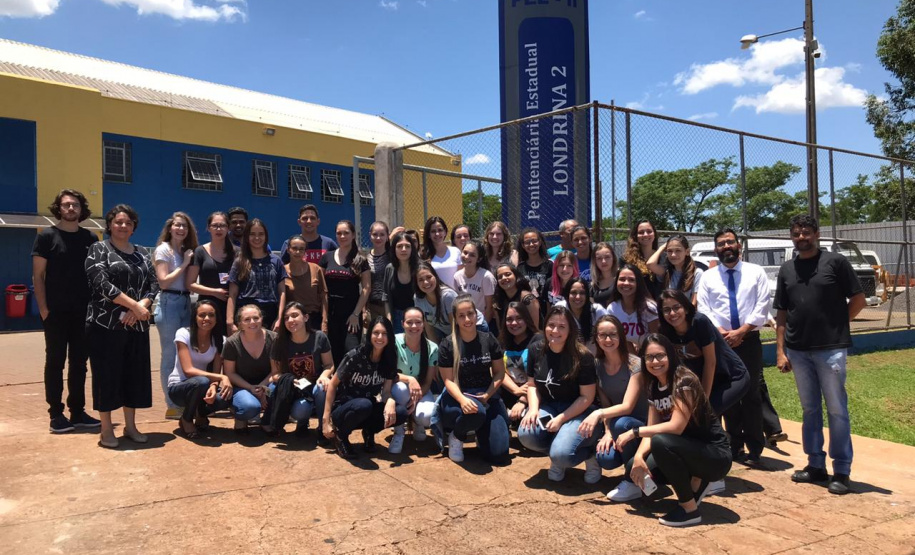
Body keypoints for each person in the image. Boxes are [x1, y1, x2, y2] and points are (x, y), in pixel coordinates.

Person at [775, 214, 865, 495]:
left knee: (837, 410)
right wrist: (780, 351)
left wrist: (837, 326)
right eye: (796, 234)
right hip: (797, 351)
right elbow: (781, 314)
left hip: (830, 351)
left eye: (806, 233)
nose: (801, 238)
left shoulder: (835, 262)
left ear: (817, 234)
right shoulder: (787, 269)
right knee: (810, 409)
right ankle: (815, 465)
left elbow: (859, 300)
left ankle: (841, 470)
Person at [613, 334, 732, 528]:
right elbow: (652, 428)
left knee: (661, 442)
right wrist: (638, 457)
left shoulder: (684, 380)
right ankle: (696, 481)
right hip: (689, 450)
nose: (655, 361)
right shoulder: (654, 386)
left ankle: (689, 509)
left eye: (660, 355)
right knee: (634, 470)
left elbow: (676, 427)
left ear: (670, 355)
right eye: (649, 357)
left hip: (715, 455)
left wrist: (634, 432)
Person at [696, 228, 773, 464]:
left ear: (738, 245)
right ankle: (734, 446)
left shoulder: (755, 272)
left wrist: (742, 331)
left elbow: (762, 303)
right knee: (728, 395)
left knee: (750, 395)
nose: (726, 246)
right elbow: (704, 308)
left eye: (730, 242)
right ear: (716, 249)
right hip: (720, 343)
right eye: (721, 244)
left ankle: (755, 448)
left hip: (748, 340)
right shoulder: (709, 277)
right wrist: (722, 333)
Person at [85, 204, 159, 449]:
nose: (123, 226)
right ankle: (106, 429)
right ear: (109, 225)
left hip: (136, 326)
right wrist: (134, 307)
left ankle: (131, 426)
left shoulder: (142, 253)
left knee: (134, 377)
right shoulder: (99, 249)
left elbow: (153, 283)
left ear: (134, 227)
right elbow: (100, 283)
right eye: (118, 222)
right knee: (106, 376)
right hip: (105, 326)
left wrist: (141, 306)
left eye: (128, 222)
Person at [32, 189, 101, 433]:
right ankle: (55, 414)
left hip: (83, 312)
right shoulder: (47, 237)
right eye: (66, 205)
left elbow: (96, 276)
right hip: (55, 313)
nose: (71, 209)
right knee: (55, 362)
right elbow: (38, 276)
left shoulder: (91, 239)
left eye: (75, 205)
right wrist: (43, 309)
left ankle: (78, 411)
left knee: (80, 364)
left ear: (82, 210)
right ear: (58, 208)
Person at [518, 306, 602, 483]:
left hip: (577, 410)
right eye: (551, 325)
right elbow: (532, 385)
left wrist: (562, 419)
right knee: (526, 434)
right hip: (549, 406)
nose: (555, 331)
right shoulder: (535, 349)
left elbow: (587, 397)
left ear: (570, 329)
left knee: (563, 454)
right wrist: (533, 409)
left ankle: (588, 454)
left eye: (562, 326)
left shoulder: (582, 357)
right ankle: (557, 452)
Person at [578, 315, 650, 501]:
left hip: (642, 426)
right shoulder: (598, 365)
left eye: (613, 334)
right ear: (596, 338)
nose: (608, 340)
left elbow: (627, 407)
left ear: (621, 336)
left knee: (622, 423)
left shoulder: (635, 365)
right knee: (605, 458)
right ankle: (643, 478)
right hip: (618, 426)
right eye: (603, 335)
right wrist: (608, 432)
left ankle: (632, 482)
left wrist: (599, 413)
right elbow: (607, 403)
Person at [437, 294, 510, 463]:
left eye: (470, 313)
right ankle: (457, 436)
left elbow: (499, 372)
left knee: (499, 455)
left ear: (477, 314)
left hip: (486, 396)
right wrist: (462, 400)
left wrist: (488, 395)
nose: (467, 319)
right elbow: (448, 380)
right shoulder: (448, 344)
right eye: (461, 316)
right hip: (458, 398)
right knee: (477, 412)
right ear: (455, 318)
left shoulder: (488, 339)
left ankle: (481, 433)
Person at [321, 317, 407, 459]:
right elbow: (333, 384)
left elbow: (385, 392)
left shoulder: (389, 357)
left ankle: (369, 431)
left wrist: (390, 400)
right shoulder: (355, 356)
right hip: (344, 408)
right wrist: (326, 420)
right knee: (364, 404)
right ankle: (340, 436)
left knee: (401, 412)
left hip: (366, 407)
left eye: (384, 333)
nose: (380, 337)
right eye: (376, 333)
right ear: (369, 335)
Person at [263, 302, 334, 437]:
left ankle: (322, 426)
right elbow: (275, 373)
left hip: (313, 384)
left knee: (322, 387)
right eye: (286, 318)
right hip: (292, 388)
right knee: (300, 410)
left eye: (295, 316)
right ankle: (300, 423)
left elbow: (329, 365)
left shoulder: (319, 337)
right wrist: (290, 381)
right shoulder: (279, 342)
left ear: (306, 318)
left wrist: (324, 376)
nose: (290, 320)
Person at [154, 211, 199, 419]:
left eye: (185, 226)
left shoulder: (185, 251)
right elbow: (163, 281)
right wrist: (183, 264)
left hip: (185, 301)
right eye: (177, 225)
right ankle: (171, 404)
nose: (181, 229)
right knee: (170, 355)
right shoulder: (164, 250)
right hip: (169, 301)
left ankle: (183, 399)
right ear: (170, 228)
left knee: (185, 353)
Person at [166, 299, 233, 439]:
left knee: (227, 396)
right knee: (201, 382)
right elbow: (188, 370)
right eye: (202, 315)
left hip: (202, 386)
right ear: (194, 317)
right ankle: (186, 419)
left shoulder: (221, 340)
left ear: (216, 318)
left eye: (211, 315)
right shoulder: (183, 334)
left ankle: (201, 414)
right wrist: (222, 377)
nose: (207, 319)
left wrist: (214, 386)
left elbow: (216, 371)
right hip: (179, 387)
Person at [320, 220, 371, 366]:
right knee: (333, 353)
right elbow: (321, 288)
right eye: (339, 233)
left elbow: (366, 288)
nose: (342, 236)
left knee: (352, 353)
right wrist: (324, 318)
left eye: (346, 233)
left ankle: (351, 387)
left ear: (353, 235)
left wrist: (356, 314)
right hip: (331, 314)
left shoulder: (360, 259)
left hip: (351, 315)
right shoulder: (327, 257)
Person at [389, 307, 439, 453]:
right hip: (398, 390)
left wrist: (416, 399)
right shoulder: (393, 342)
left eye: (418, 322)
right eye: (409, 322)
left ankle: (418, 422)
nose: (414, 326)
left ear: (423, 324)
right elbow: (389, 374)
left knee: (427, 416)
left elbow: (428, 382)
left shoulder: (432, 348)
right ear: (402, 323)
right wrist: (409, 379)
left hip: (422, 392)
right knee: (400, 388)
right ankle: (399, 431)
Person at [223, 304, 277, 435]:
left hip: (267, 384)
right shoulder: (232, 342)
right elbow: (229, 372)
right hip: (241, 386)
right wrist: (250, 388)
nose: (252, 322)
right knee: (250, 407)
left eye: (256, 318)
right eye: (247, 319)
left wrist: (262, 387)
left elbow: (275, 371)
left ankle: (267, 421)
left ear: (261, 319)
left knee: (276, 390)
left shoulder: (273, 338)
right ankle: (240, 415)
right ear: (240, 323)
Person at [227, 219, 286, 334]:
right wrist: (229, 321)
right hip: (246, 314)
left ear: (266, 236)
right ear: (247, 237)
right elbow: (232, 294)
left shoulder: (276, 261)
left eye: (261, 234)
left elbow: (282, 292)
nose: (257, 238)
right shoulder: (239, 261)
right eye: (252, 234)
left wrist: (279, 318)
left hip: (270, 314)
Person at [186, 211, 235, 340]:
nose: (219, 229)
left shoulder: (237, 252)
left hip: (231, 308)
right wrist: (214, 292)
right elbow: (190, 284)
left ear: (228, 228)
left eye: (222, 225)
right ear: (208, 228)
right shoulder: (200, 251)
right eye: (215, 225)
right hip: (207, 307)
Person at [414, 261, 487, 343]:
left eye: (429, 277)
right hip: (447, 332)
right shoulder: (418, 299)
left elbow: (456, 326)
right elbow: (429, 328)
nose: (426, 282)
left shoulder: (448, 296)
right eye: (420, 280)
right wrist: (435, 351)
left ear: (435, 276)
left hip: (473, 326)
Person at [499, 302, 541, 423]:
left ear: (527, 319)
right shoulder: (502, 342)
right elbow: (497, 370)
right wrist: (515, 390)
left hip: (534, 395)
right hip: (510, 393)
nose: (514, 323)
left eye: (519, 318)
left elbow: (540, 377)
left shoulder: (538, 341)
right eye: (509, 319)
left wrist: (523, 400)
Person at [606, 264, 659, 353]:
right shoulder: (612, 308)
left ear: (638, 283)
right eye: (622, 279)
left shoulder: (649, 307)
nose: (626, 283)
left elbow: (656, 338)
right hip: (623, 355)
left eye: (631, 280)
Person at [283, 235, 328, 332]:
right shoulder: (282, 271)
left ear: (305, 252)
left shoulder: (316, 269)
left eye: (301, 249)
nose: (298, 252)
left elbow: (323, 296)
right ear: (288, 250)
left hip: (314, 319)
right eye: (294, 248)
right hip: (292, 320)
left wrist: (324, 321)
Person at [647, 235, 704, 304]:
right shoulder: (667, 272)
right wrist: (662, 247)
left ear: (687, 252)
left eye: (678, 250)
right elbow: (650, 264)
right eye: (669, 251)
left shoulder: (696, 273)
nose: (673, 255)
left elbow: (694, 303)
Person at [453, 240, 496, 325]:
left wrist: (483, 326)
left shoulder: (486, 277)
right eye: (465, 252)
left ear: (479, 259)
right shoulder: (457, 276)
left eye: (472, 255)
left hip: (483, 322)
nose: (467, 257)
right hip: (466, 322)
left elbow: (490, 308)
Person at [383, 230, 418, 334]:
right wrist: (389, 320)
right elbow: (386, 297)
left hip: (418, 318)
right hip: (396, 318)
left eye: (407, 246)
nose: (403, 249)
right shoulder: (389, 269)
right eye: (399, 246)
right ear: (394, 249)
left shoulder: (420, 269)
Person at [557, 277, 607, 348]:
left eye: (582, 293)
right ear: (567, 294)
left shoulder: (597, 311)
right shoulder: (561, 308)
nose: (578, 297)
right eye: (573, 293)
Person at [493, 262, 541, 331]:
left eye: (508, 274)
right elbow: (501, 330)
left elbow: (535, 328)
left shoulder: (528, 299)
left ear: (516, 275)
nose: (504, 278)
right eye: (500, 277)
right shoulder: (497, 301)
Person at [516, 227, 553, 313]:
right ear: (523, 245)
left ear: (540, 242)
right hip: (527, 310)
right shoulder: (520, 268)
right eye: (527, 242)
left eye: (534, 241)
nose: (531, 244)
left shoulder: (549, 265)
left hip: (546, 310)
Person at [622, 219, 661, 299]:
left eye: (649, 231)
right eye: (641, 232)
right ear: (635, 236)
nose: (645, 235)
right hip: (636, 304)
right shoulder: (626, 260)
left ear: (654, 234)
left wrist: (662, 248)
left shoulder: (663, 257)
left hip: (660, 306)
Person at [422, 217, 462, 289]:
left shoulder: (455, 251)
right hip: (435, 297)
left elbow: (462, 277)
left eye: (440, 230)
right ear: (428, 235)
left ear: (445, 232)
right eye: (433, 231)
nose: (437, 234)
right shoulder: (424, 255)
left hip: (456, 297)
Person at [366, 221, 391, 322]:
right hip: (373, 306)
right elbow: (364, 286)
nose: (378, 238)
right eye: (375, 234)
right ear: (370, 235)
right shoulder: (365, 258)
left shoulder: (393, 256)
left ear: (387, 236)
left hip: (390, 305)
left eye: (382, 235)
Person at [590, 242, 618, 308]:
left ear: (613, 258)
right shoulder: (593, 286)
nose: (603, 261)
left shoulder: (622, 279)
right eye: (599, 258)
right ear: (595, 261)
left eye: (607, 257)